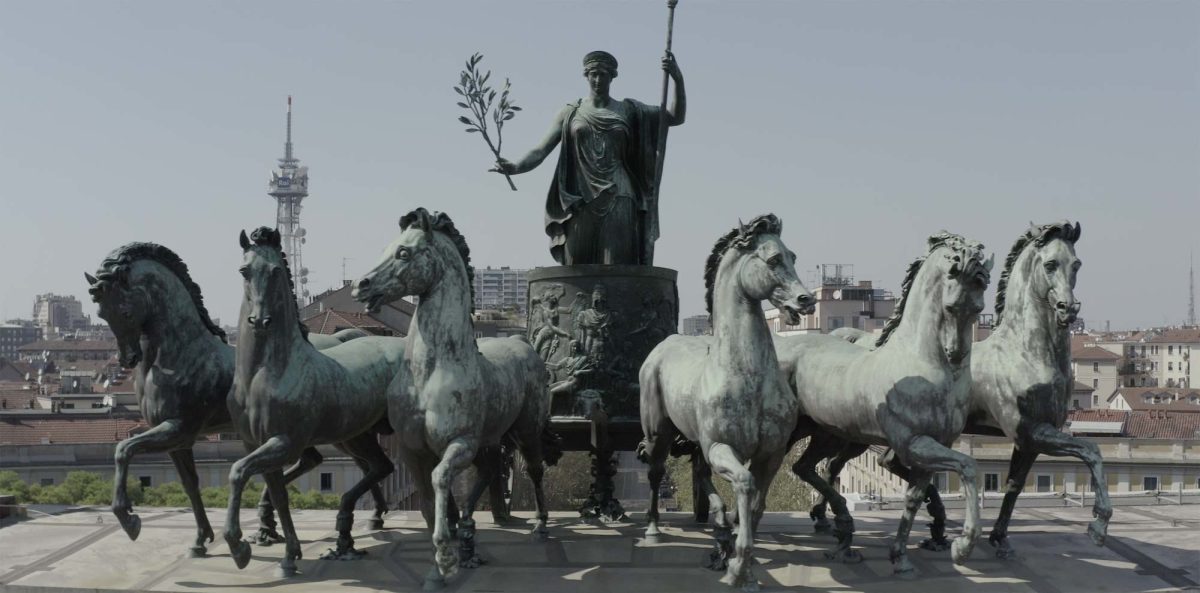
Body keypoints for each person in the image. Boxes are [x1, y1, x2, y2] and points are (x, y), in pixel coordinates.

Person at [492, 50, 686, 265]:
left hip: (620, 195)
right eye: (593, 74)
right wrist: (516, 166)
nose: (597, 79)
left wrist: (677, 78)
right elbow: (541, 149)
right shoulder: (570, 112)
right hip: (579, 198)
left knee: (617, 267)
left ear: (612, 76)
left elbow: (675, 117)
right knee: (575, 266)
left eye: (603, 74)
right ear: (586, 75)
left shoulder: (629, 110)